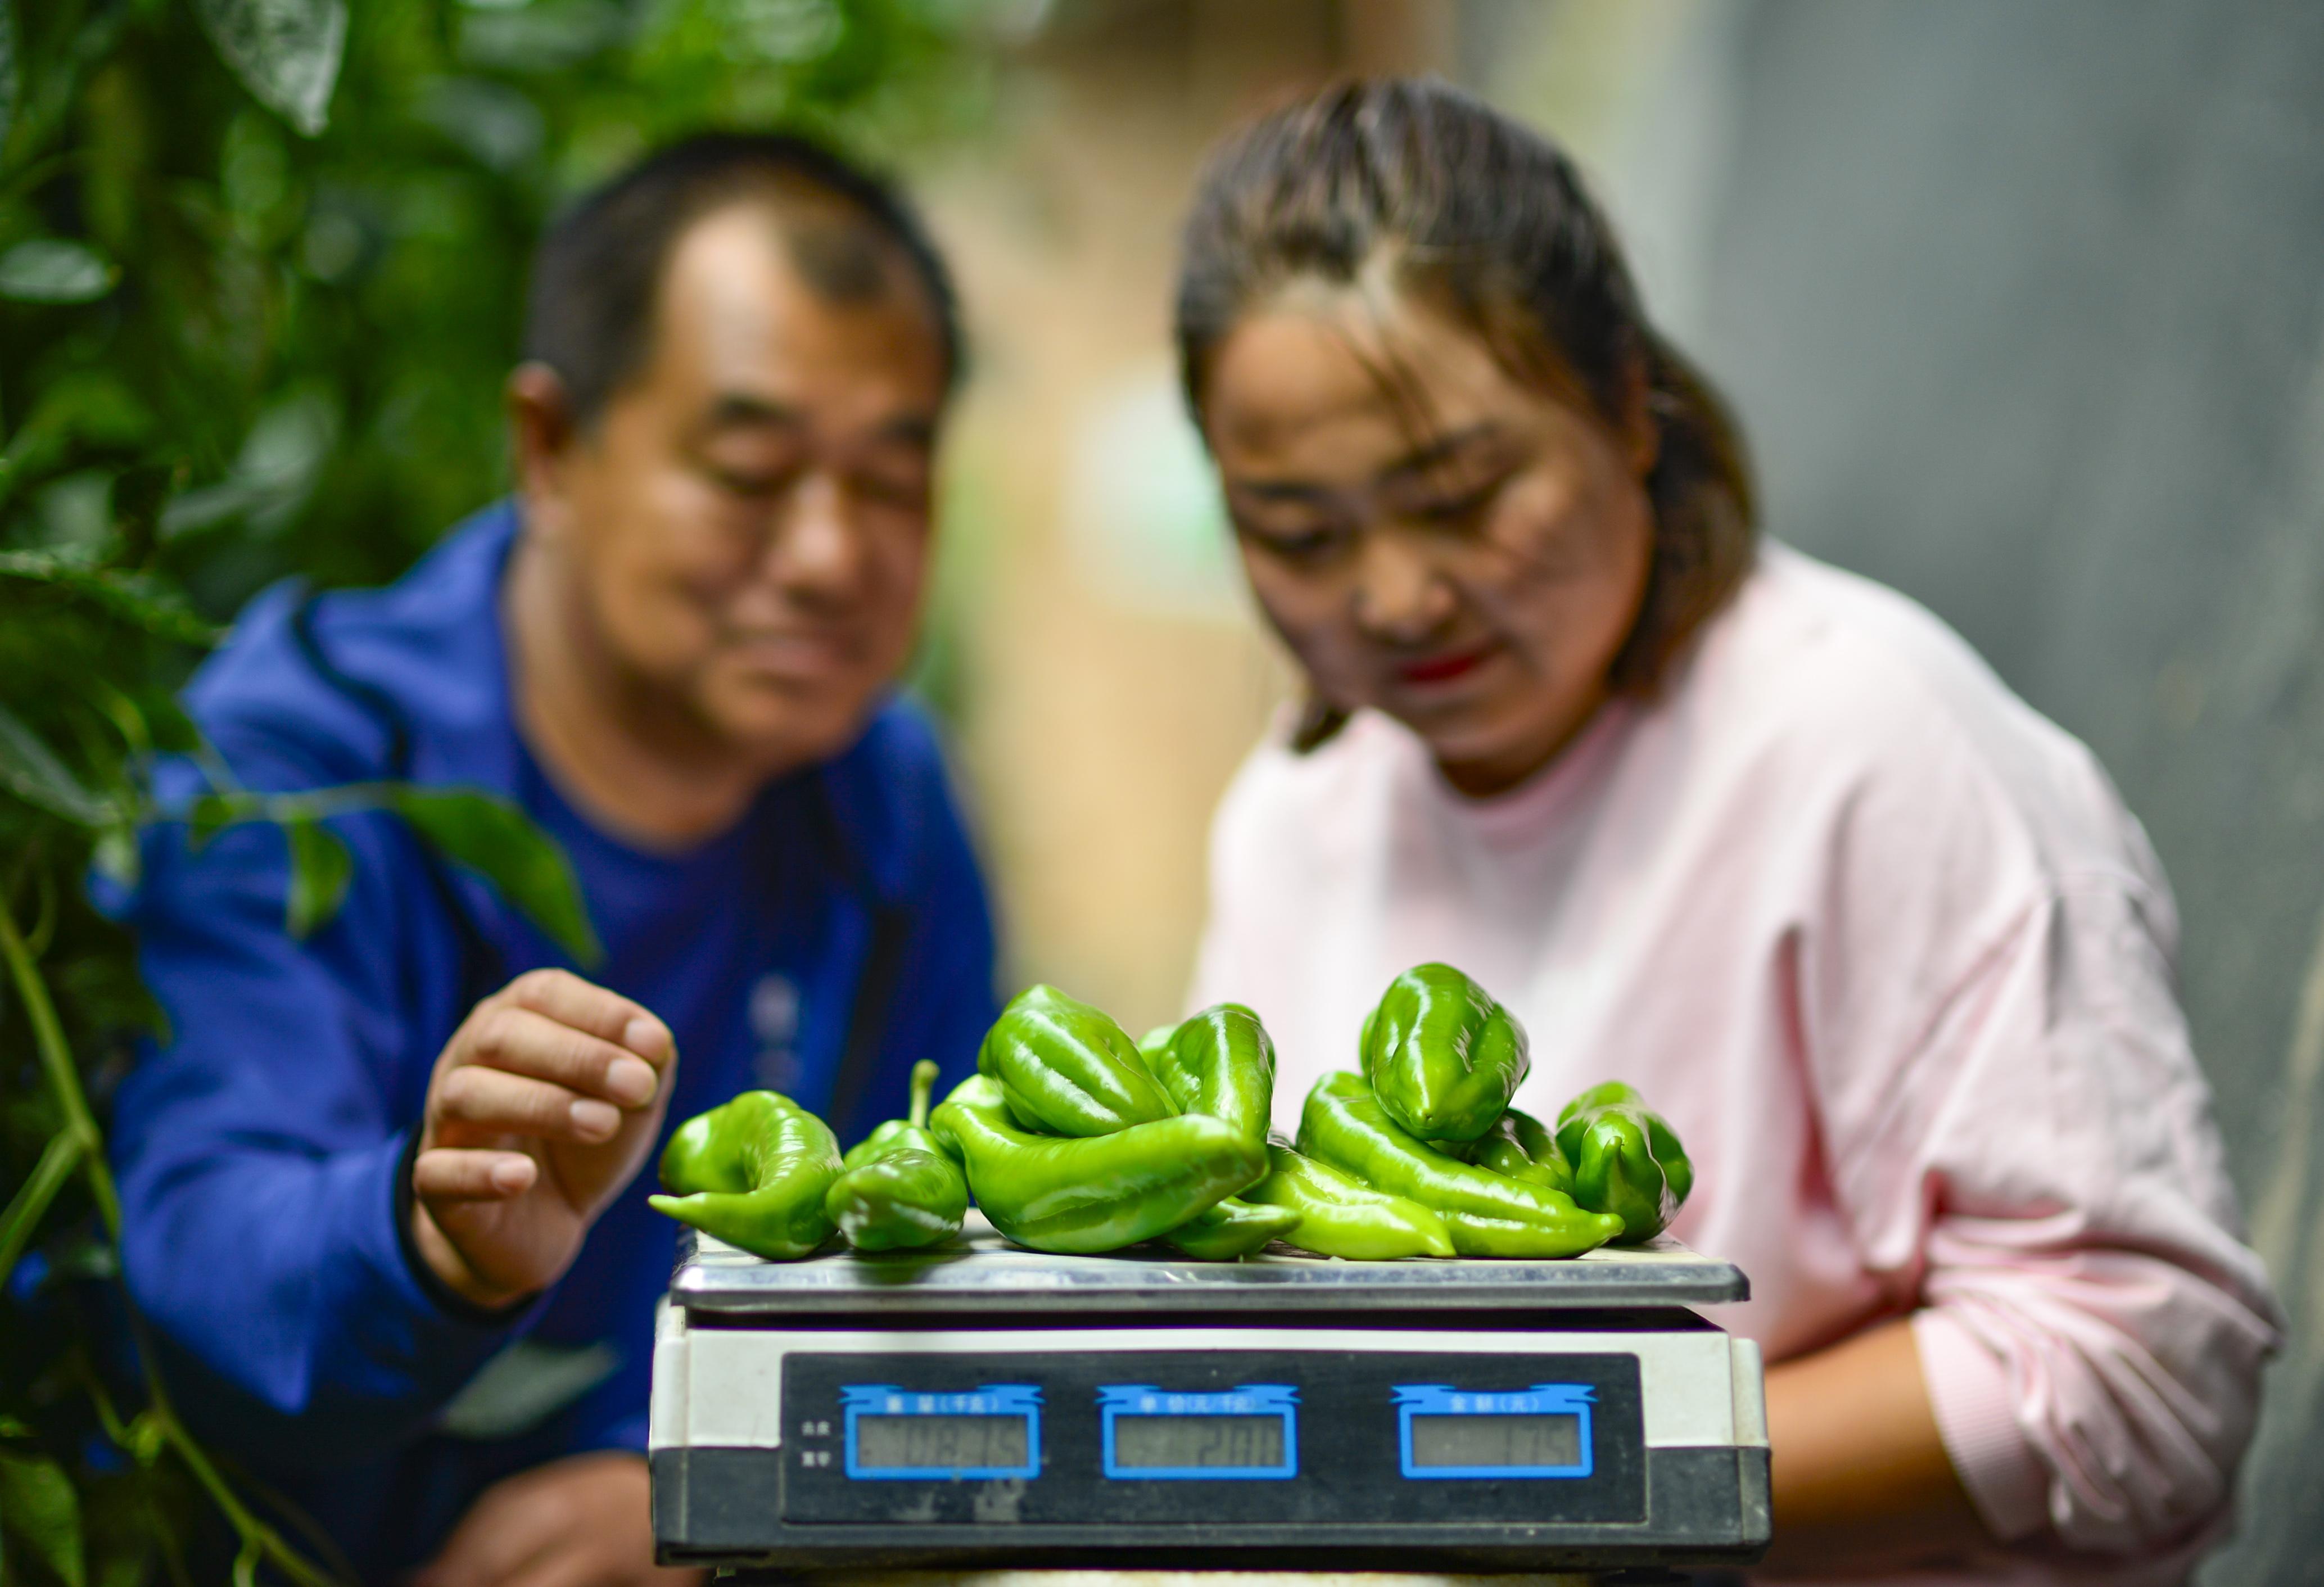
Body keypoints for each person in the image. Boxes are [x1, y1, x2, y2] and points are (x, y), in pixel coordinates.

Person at [1174, 80, 2281, 1583]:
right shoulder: (1298, 816)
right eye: (1299, 534)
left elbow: (2139, 1367)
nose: (1393, 598)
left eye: (1463, 493)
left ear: (1628, 403)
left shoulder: (1872, 749)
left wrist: (1527, 1475)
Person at [104, 133, 997, 1584]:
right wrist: (433, 1237)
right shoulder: (293, 777)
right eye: (751, 469)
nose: (832, 555)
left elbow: (960, 1316)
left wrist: (724, 1490)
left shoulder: (886, 808)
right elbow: (201, 1253)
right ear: (551, 451)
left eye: (891, 483)